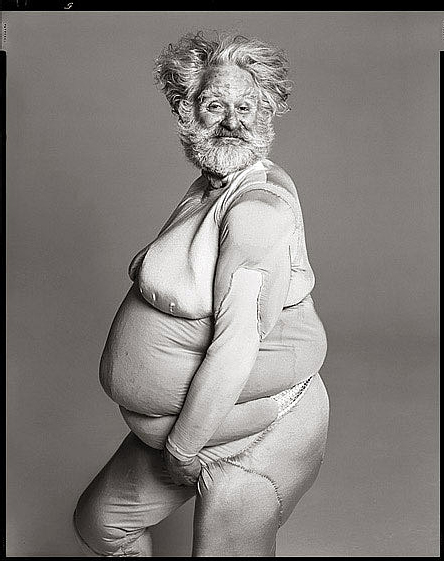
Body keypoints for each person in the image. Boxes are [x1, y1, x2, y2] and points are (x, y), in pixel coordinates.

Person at [73, 31, 330, 557]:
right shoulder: (211, 186)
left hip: (255, 431)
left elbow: (236, 346)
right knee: (102, 524)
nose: (231, 122)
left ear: (267, 114)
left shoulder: (257, 212)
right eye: (215, 105)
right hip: (188, 430)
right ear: (187, 111)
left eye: (245, 107)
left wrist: (182, 447)